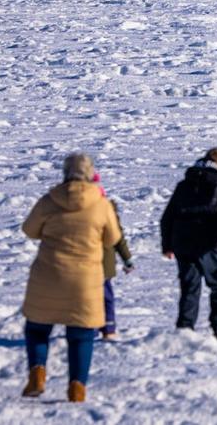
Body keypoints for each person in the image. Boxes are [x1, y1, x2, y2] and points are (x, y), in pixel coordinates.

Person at [21, 153, 121, 403]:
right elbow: (112, 239)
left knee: (37, 329)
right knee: (81, 335)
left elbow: (29, 230)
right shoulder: (101, 203)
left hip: (48, 275)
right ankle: (77, 387)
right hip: (84, 281)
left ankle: (37, 372)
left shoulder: (49, 200)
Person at [159, 147, 217, 348]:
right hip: (208, 244)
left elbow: (167, 216)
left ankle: (185, 330)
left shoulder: (184, 183)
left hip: (182, 243)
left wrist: (167, 244)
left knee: (189, 287)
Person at [100, 190, 134, 340]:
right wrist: (127, 259)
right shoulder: (108, 210)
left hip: (83, 264)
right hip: (103, 264)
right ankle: (108, 328)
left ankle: (93, 328)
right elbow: (118, 239)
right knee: (106, 297)